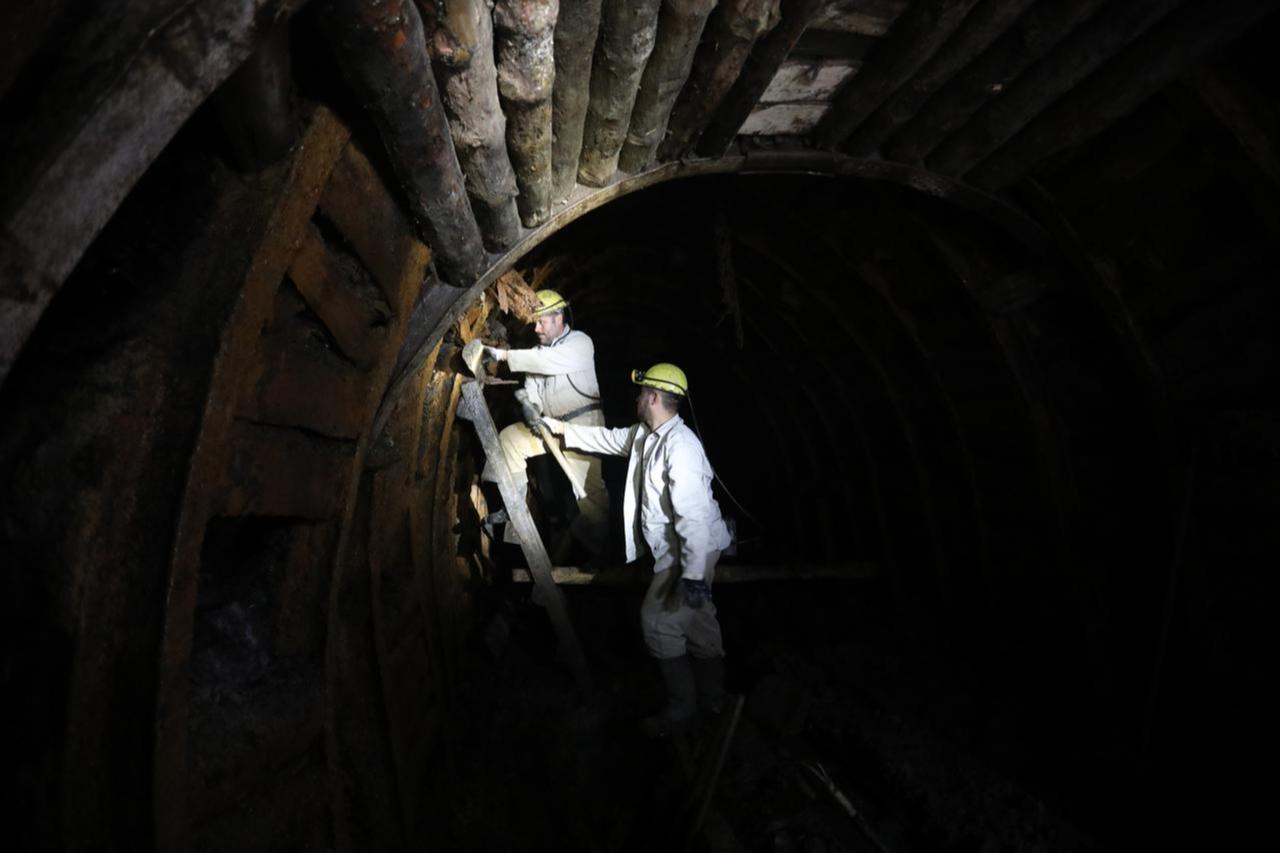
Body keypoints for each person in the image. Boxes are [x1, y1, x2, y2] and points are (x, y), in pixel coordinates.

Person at [542, 363, 732, 738]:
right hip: (678, 549)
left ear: (654, 397)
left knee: (658, 623)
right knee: (698, 624)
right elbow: (609, 440)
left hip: (690, 550)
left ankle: (683, 711)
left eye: (641, 392)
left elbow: (692, 520)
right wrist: (559, 428)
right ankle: (713, 702)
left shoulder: (682, 449)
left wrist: (692, 578)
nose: (637, 397)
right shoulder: (648, 435)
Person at [481, 289, 611, 565]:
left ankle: (601, 556)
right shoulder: (537, 353)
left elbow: (546, 363)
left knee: (590, 498)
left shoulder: (580, 343)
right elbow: (533, 387)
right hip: (550, 426)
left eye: (541, 321)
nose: (536, 328)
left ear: (559, 317)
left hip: (582, 429)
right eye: (535, 322)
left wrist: (503, 356)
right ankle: (512, 509)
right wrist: (531, 407)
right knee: (510, 440)